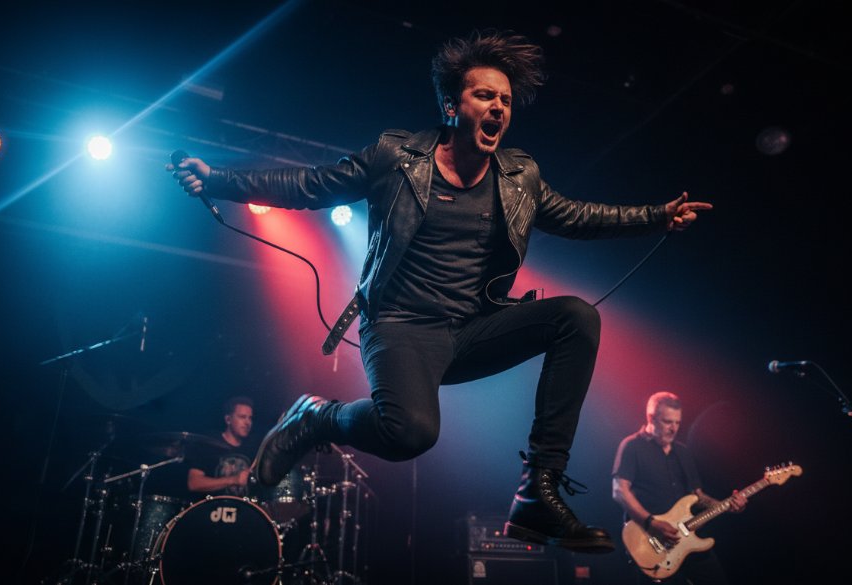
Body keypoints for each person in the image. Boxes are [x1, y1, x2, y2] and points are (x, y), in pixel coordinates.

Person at [170, 30, 711, 553]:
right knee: (410, 435)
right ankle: (318, 417)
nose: (498, 107)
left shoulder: (519, 175)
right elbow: (312, 185)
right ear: (453, 105)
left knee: (576, 317)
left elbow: (577, 216)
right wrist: (219, 179)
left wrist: (656, 216)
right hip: (400, 325)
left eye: (505, 99)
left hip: (472, 329)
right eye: (484, 95)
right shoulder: (396, 156)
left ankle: (536, 491)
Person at [611, 392, 747, 583]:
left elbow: (697, 496)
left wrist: (728, 505)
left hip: (688, 538)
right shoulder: (632, 446)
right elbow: (619, 490)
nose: (673, 429)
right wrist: (651, 523)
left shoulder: (682, 451)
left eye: (677, 423)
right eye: (667, 422)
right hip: (651, 540)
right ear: (651, 418)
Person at [184, 395, 255, 497]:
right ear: (228, 420)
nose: (248, 422)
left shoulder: (251, 448)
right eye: (242, 417)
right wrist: (233, 480)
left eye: (250, 418)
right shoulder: (209, 443)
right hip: (212, 509)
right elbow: (194, 483)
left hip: (242, 509)